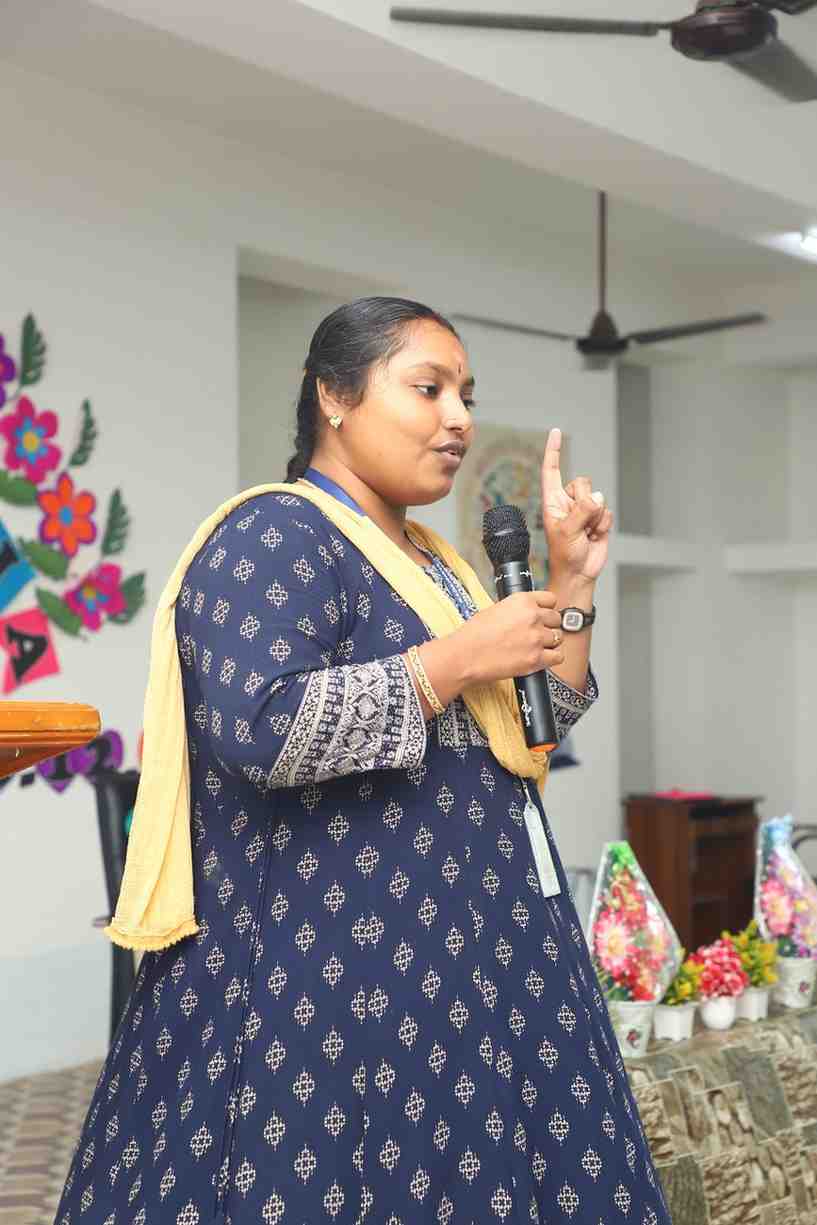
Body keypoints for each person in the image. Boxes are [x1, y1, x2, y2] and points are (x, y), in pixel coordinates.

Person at [54, 296, 669, 1224]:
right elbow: (262, 725)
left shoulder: (435, 563)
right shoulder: (272, 533)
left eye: (465, 395)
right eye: (428, 388)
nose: (457, 418)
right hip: (332, 983)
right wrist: (456, 658)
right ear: (334, 396)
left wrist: (570, 581)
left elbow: (532, 727)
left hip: (480, 962)